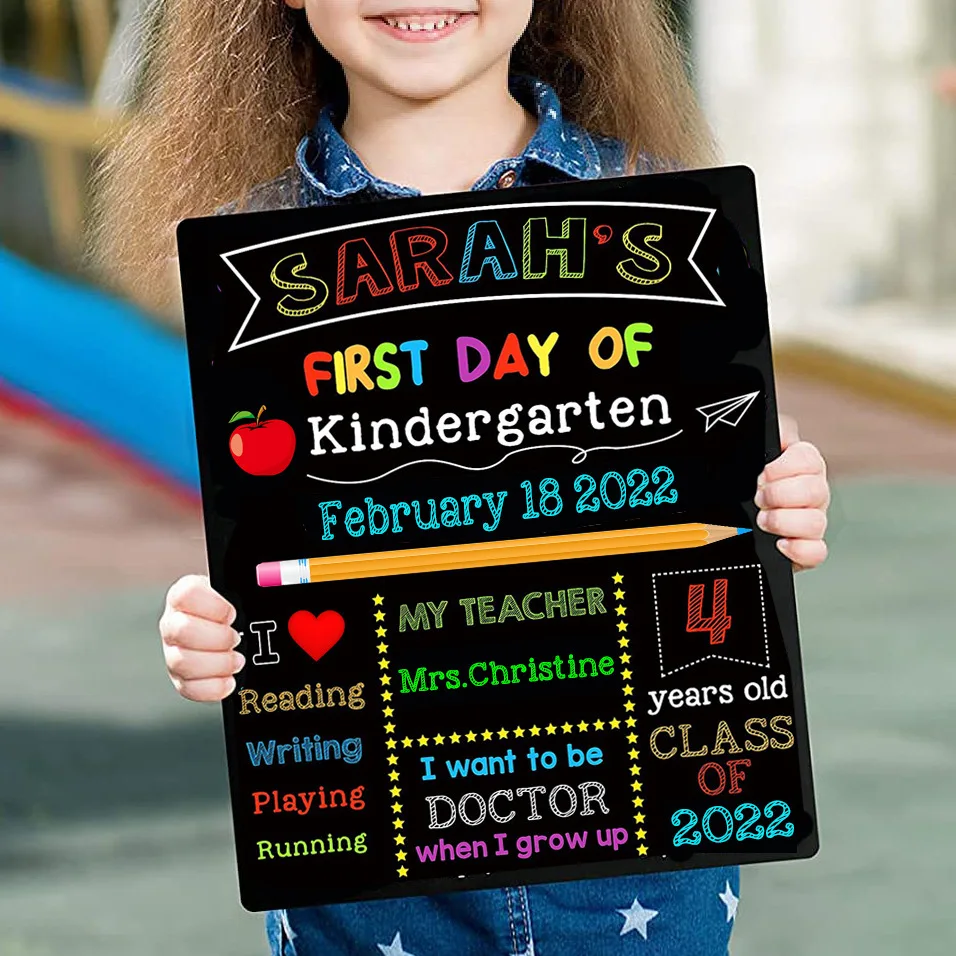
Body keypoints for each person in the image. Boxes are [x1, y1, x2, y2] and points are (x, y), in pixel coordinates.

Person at [93, 2, 830, 953]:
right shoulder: (250, 268)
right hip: (366, 896)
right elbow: (280, 559)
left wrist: (777, 505)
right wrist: (216, 631)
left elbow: (713, 522)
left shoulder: (661, 219)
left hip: (637, 889)